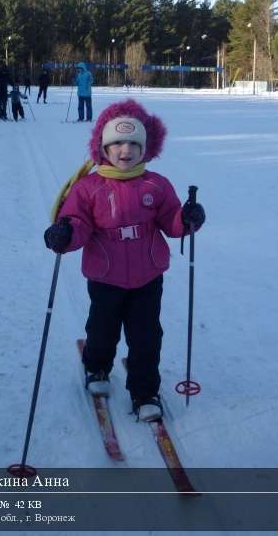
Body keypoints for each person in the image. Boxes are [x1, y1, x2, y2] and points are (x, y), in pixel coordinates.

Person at [43, 99, 206, 421]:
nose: (125, 150)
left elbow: (172, 221)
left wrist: (188, 218)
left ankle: (145, 391)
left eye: (133, 143)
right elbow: (78, 223)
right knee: (103, 330)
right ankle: (97, 367)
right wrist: (65, 232)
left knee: (146, 336)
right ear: (103, 147)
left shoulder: (155, 185)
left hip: (148, 277)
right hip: (105, 276)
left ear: (145, 148)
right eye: (116, 142)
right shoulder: (89, 188)